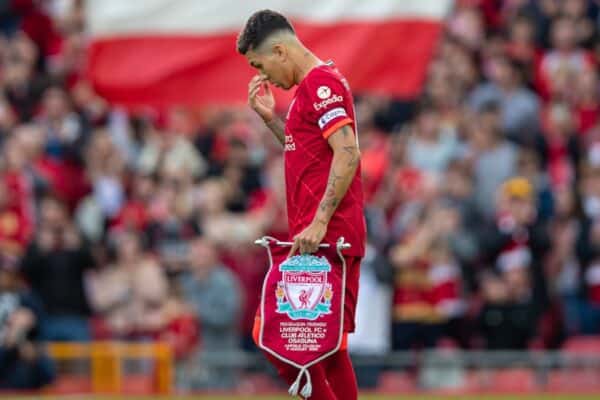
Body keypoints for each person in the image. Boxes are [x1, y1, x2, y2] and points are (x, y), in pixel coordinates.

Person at [237, 9, 366, 400]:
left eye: (261, 65)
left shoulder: (321, 84)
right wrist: (271, 121)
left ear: (280, 50)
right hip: (316, 239)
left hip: (329, 240)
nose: (266, 76)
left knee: (282, 338)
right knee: (327, 350)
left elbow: (348, 153)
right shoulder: (307, 93)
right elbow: (309, 152)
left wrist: (321, 221)